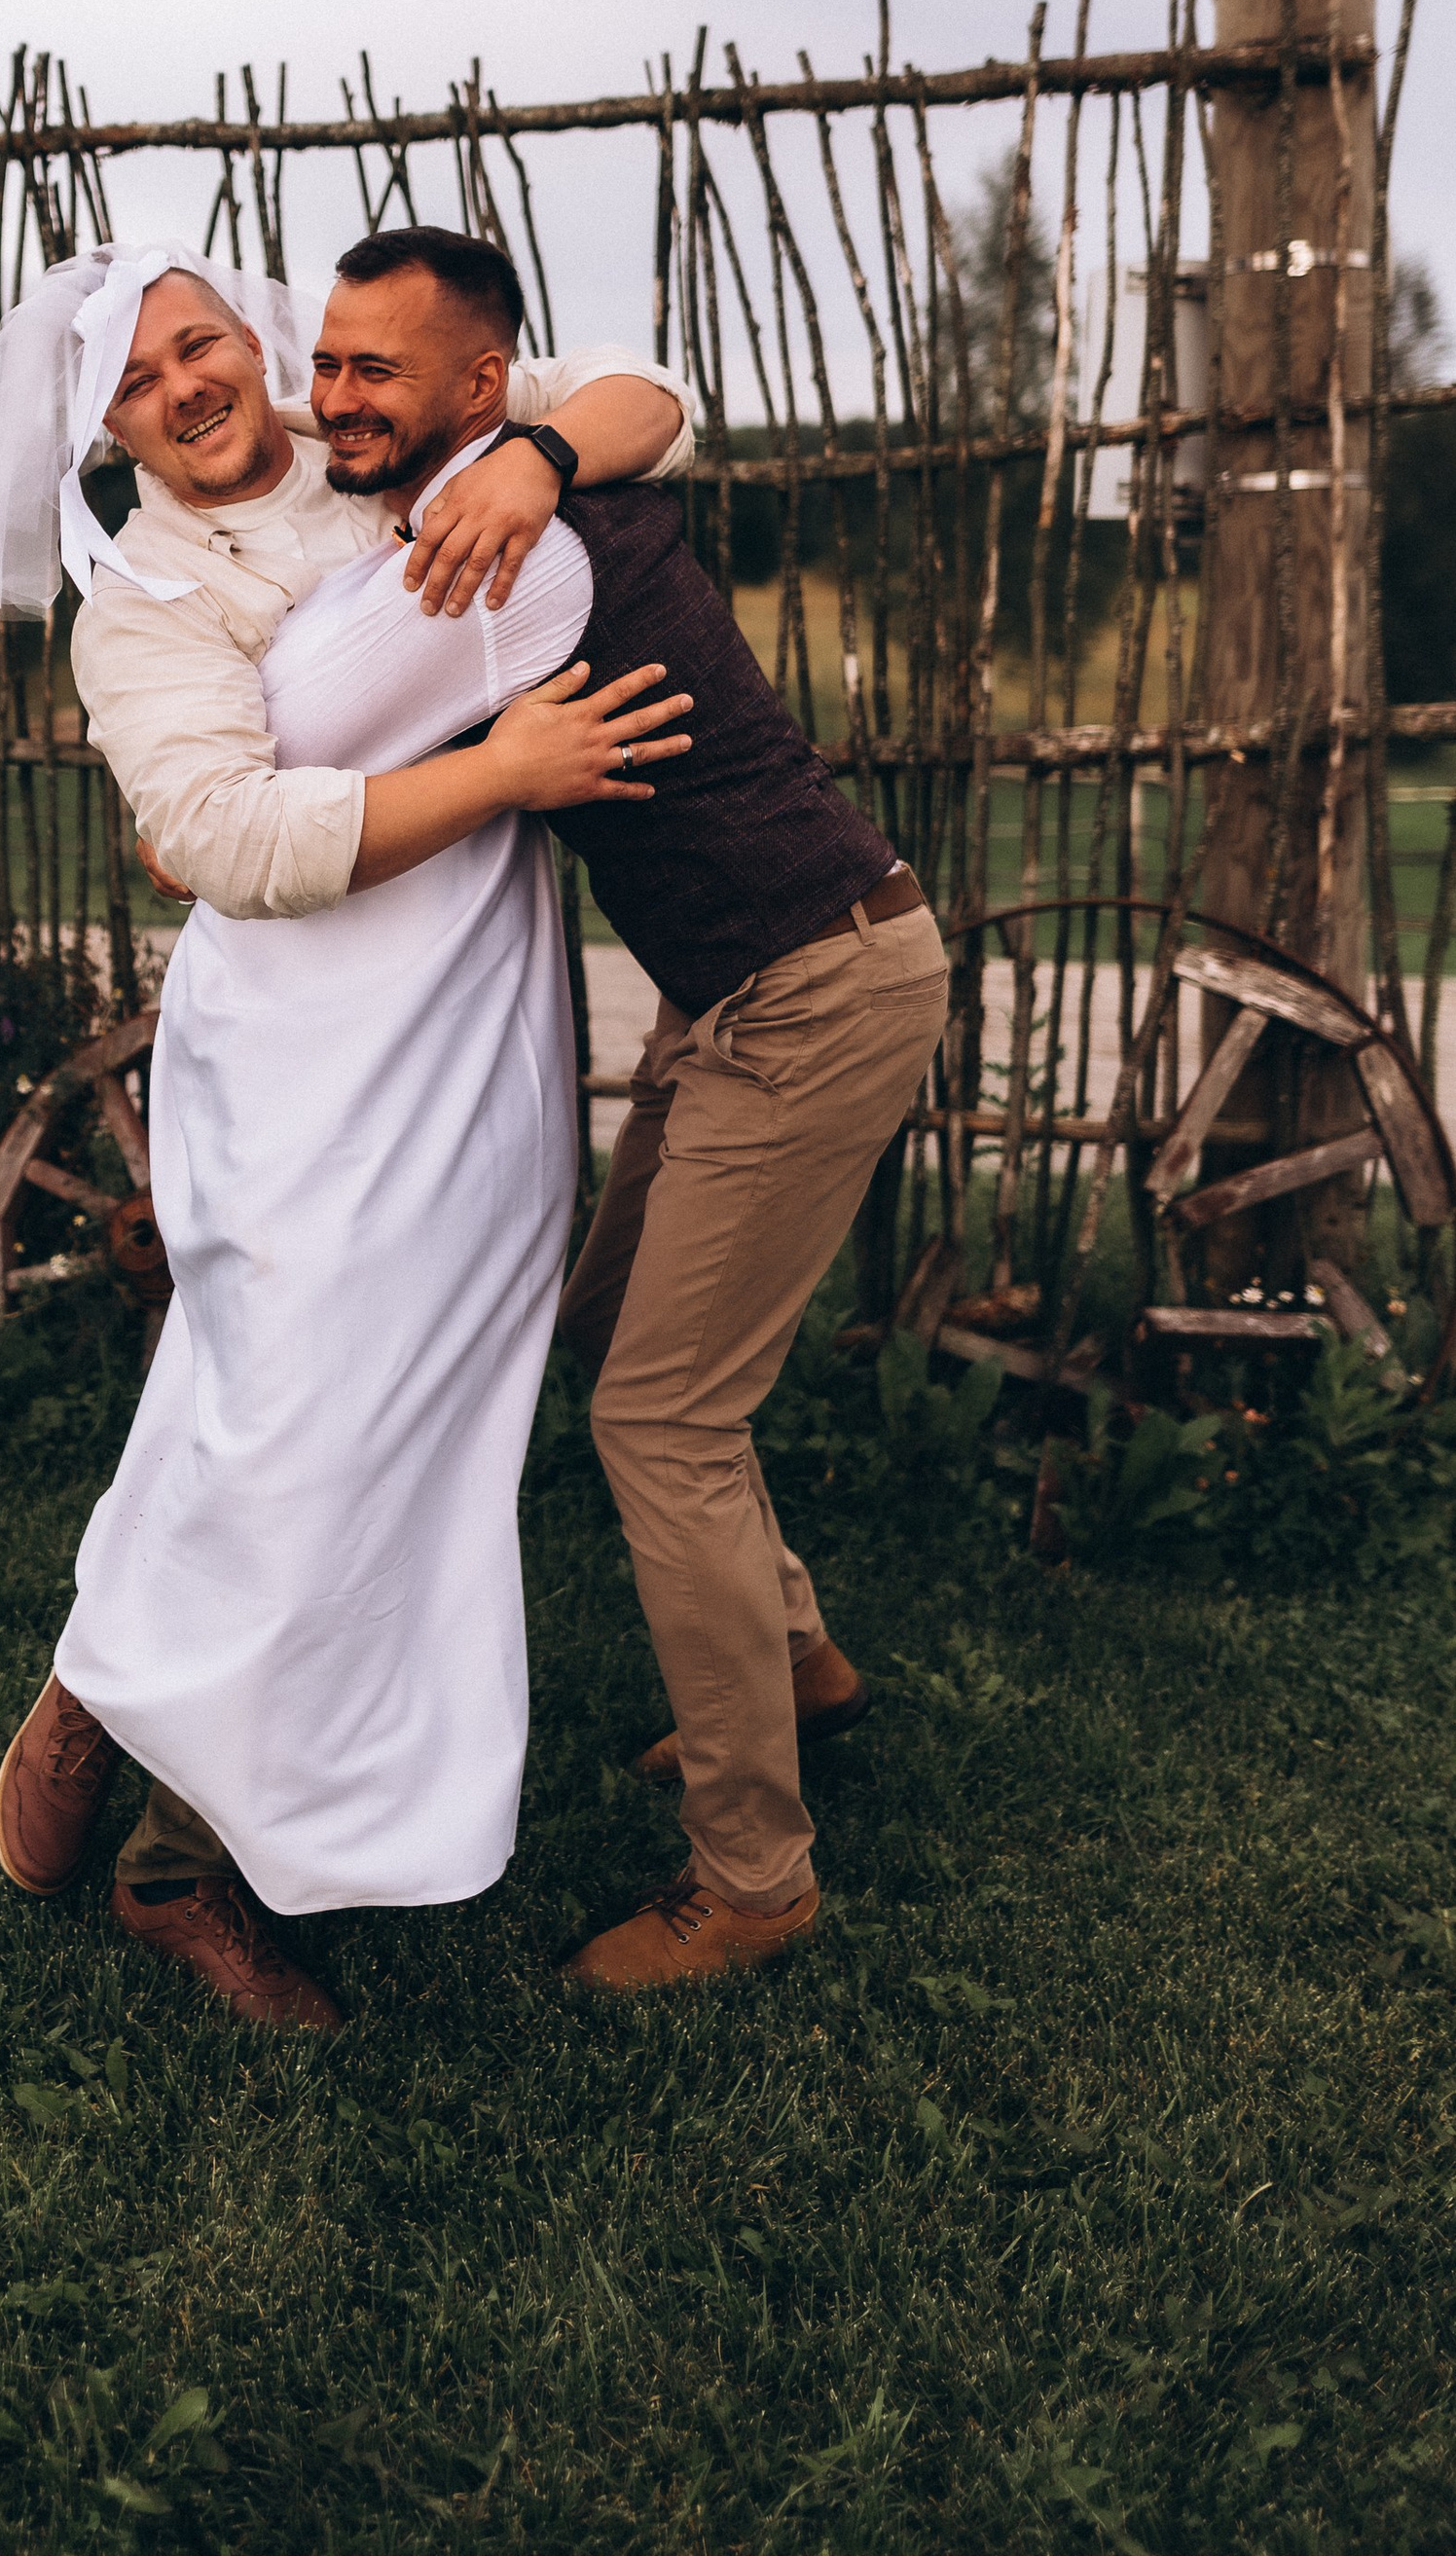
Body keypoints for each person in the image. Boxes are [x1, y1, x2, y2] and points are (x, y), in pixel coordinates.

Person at [0, 237, 693, 2024]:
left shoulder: (389, 467)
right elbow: (224, 847)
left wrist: (538, 457)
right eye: (136, 380)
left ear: (254, 336)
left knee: (421, 1437)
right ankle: (194, 1865)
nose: (187, 385)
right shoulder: (147, 604)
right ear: (102, 431)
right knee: (294, 1431)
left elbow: (662, 401)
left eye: (201, 341)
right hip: (300, 1060)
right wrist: (501, 774)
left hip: (475, 1036)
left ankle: (117, 1681)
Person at [270, 225, 947, 1996]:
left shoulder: (504, 546)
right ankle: (792, 1661)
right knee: (615, 1344)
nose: (332, 396)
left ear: (479, 391)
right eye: (325, 361)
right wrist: (546, 441)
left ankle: (755, 1878)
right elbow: (642, 396)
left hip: (811, 989)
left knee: (663, 1421)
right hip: (759, 985)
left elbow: (303, 735)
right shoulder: (507, 475)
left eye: (371, 374)